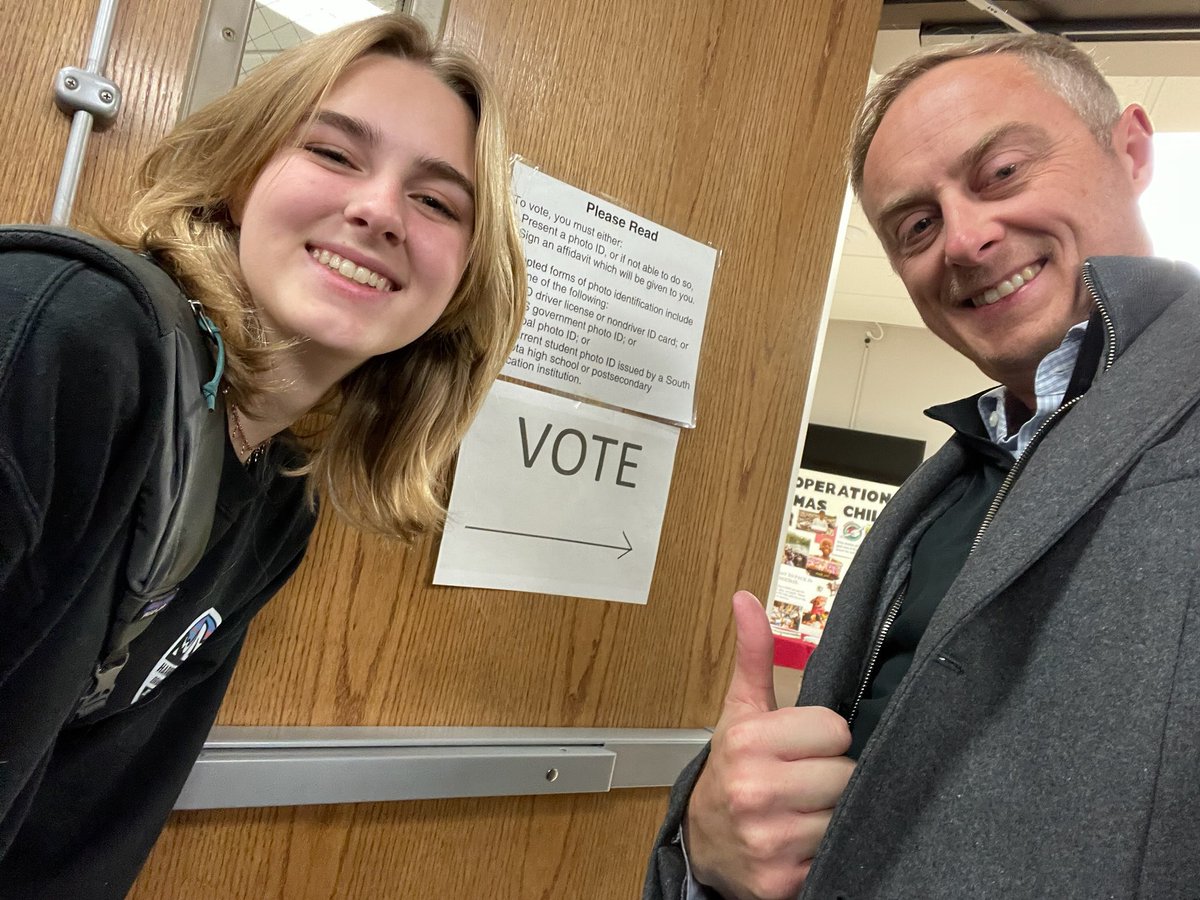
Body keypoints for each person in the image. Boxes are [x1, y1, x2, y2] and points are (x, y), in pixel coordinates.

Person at [647, 32, 1200, 899]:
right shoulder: (950, 486)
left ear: (1130, 149)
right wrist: (708, 851)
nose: (967, 239)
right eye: (916, 224)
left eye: (1004, 171)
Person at [0, 13, 523, 898]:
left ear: (464, 277)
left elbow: (85, 826)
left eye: (437, 202)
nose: (378, 210)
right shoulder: (68, 330)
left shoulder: (277, 499)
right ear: (241, 176)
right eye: (332, 153)